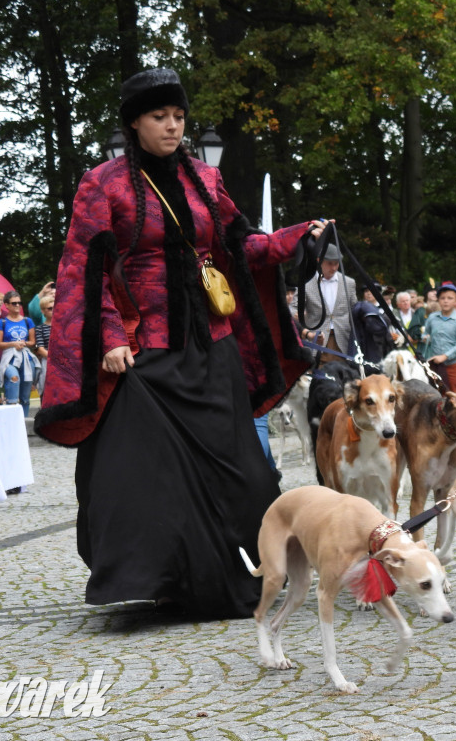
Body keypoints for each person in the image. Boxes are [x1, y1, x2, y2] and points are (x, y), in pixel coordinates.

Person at [34, 67, 322, 619]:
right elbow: (84, 269)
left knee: (243, 469)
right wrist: (110, 336)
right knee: (147, 476)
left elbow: (242, 247)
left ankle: (253, 569)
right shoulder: (102, 183)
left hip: (212, 349)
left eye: (178, 116)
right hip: (147, 354)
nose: (172, 126)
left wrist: (294, 238)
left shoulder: (205, 179)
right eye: (159, 116)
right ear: (134, 123)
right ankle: (164, 581)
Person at [299, 244, 357, 364]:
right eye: (330, 263)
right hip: (316, 340)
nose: (334, 267)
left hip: (343, 340)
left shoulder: (349, 283)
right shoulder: (306, 283)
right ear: (319, 260)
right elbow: (292, 309)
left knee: (343, 373)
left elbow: (355, 310)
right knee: (318, 374)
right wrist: (302, 324)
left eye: (336, 263)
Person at [0, 291, 39, 416]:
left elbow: (32, 342)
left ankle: (24, 422)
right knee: (14, 378)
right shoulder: (2, 322)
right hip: (9, 357)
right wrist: (13, 344)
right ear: (7, 305)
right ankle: (11, 414)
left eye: (19, 303)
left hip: (25, 357)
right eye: (14, 303)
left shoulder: (27, 321)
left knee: (25, 396)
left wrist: (23, 343)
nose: (17, 305)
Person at [423, 281, 456, 392]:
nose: (446, 301)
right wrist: (425, 337)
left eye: (450, 298)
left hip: (453, 365)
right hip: (435, 365)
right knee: (434, 394)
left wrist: (444, 356)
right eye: (442, 298)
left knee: (453, 395)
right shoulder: (432, 317)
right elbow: (425, 333)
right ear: (438, 300)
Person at [352, 287, 395, 367]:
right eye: (366, 291)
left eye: (371, 291)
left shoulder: (386, 308)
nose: (369, 293)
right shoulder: (358, 308)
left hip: (384, 345)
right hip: (365, 343)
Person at [33, 296, 54, 396]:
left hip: (65, 361)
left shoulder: (64, 326)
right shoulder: (39, 329)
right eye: (50, 308)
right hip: (48, 362)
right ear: (43, 311)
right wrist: (55, 359)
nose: (53, 310)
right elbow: (40, 349)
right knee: (47, 393)